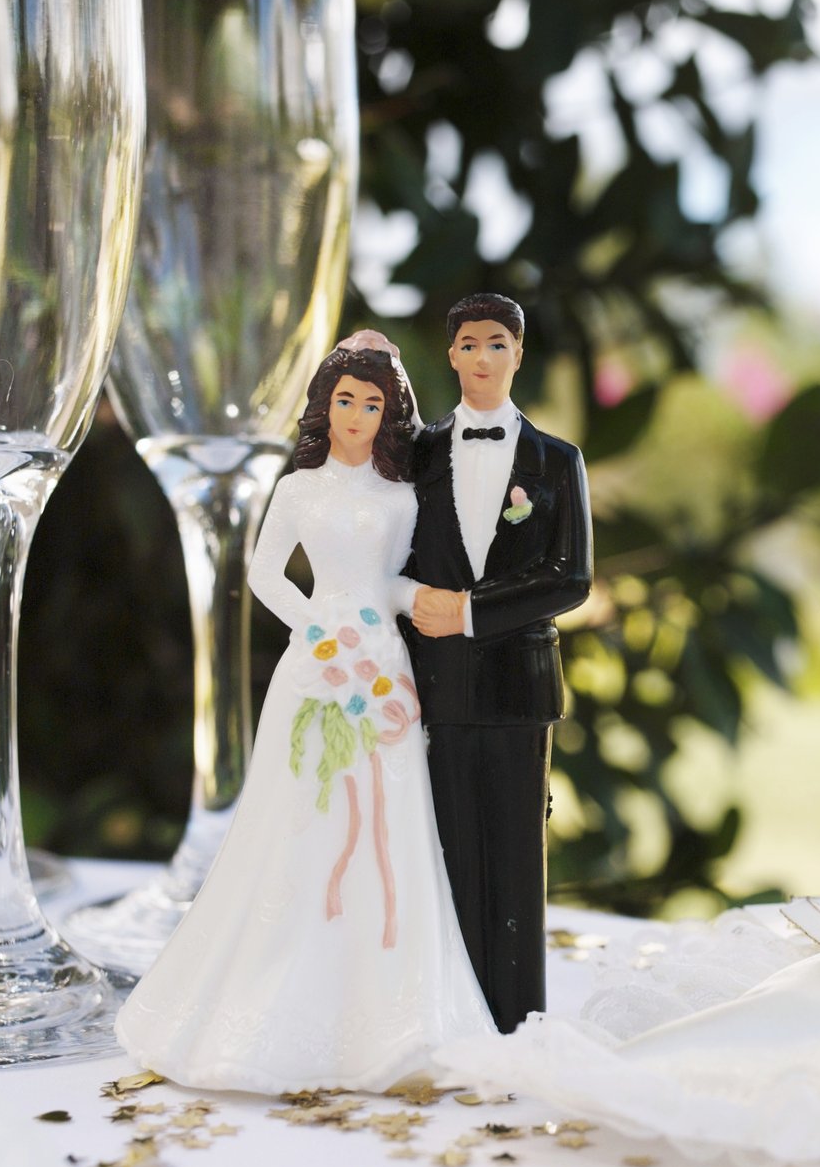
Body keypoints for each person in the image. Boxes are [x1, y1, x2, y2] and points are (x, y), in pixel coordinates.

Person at [114, 333, 490, 1094]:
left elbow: (392, 580)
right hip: (316, 663)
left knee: (388, 818)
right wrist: (318, 628)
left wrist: (413, 602)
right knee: (297, 812)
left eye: (372, 405)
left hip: (381, 664)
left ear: (388, 416)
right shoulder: (297, 490)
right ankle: (268, 996)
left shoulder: (400, 499)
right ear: (326, 406)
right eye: (346, 400)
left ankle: (389, 1008)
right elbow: (263, 574)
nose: (356, 415)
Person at [400, 294, 593, 1033]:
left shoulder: (557, 461)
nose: (483, 358)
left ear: (518, 354)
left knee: (516, 857)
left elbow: (571, 578)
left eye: (498, 344)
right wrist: (414, 603)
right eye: (470, 344)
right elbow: (389, 550)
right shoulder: (416, 455)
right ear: (451, 354)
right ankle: (451, 1017)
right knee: (448, 850)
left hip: (519, 688)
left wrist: (471, 611)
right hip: (438, 685)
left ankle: (515, 1020)